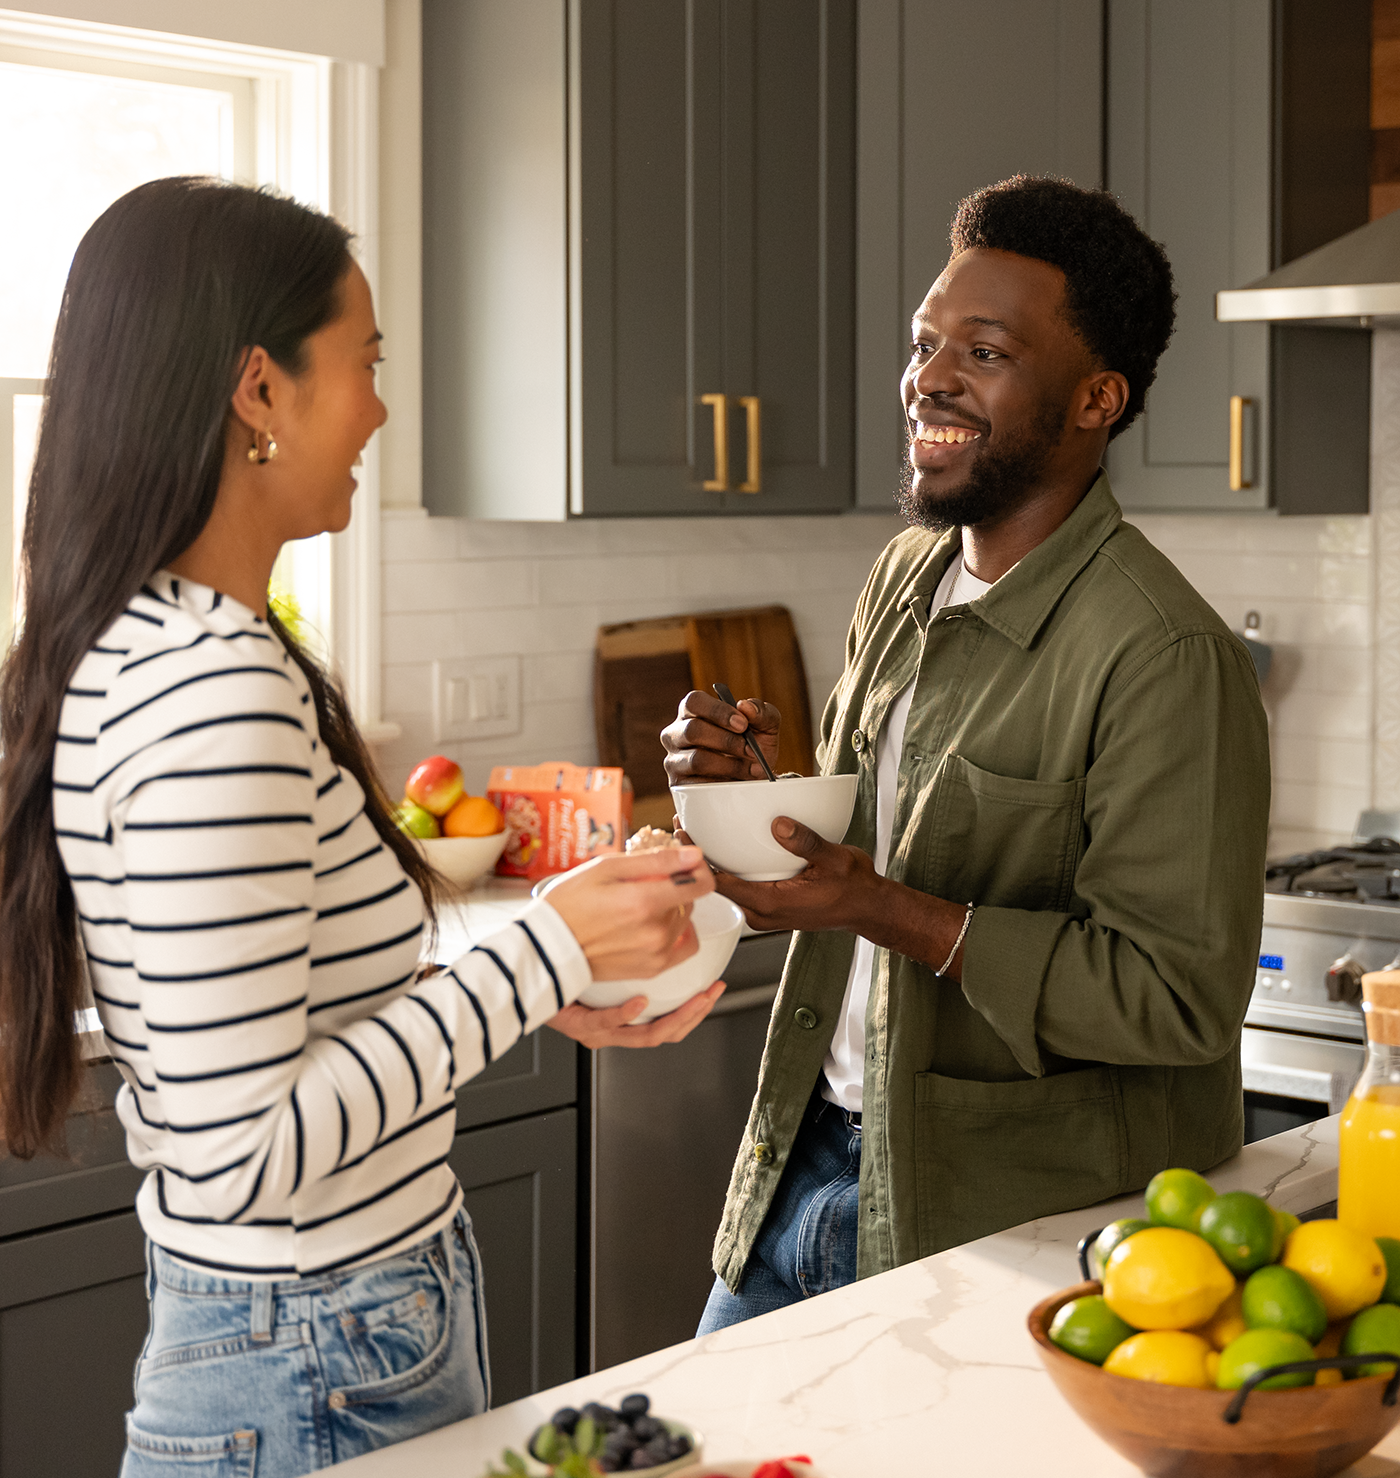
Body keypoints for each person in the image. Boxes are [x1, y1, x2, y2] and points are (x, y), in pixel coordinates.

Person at [0, 176, 725, 1477]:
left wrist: (532, 990)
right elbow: (248, 1150)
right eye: (366, 363)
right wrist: (543, 951)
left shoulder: (163, 642)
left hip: (319, 1328)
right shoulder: (212, 688)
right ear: (259, 391)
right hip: (317, 1348)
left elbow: (300, 1018)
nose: (383, 407)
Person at [662, 176, 1272, 1333]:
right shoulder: (906, 573)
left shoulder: (1161, 652)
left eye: (982, 351)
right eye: (923, 341)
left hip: (1008, 1226)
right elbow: (858, 854)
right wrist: (759, 807)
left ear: (1096, 397)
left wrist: (885, 906)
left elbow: (1175, 998)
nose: (926, 377)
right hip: (803, 1163)